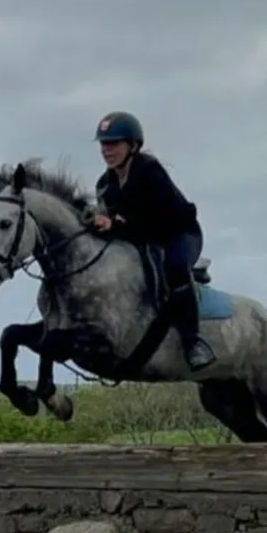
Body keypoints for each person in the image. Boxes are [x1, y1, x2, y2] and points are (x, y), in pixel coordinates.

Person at [91, 110, 216, 371]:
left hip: (179, 233)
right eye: (104, 143)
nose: (107, 149)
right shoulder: (105, 184)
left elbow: (158, 221)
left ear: (133, 145)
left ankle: (194, 343)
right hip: (144, 239)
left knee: (174, 266)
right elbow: (116, 223)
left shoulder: (149, 171)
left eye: (114, 143)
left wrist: (115, 223)